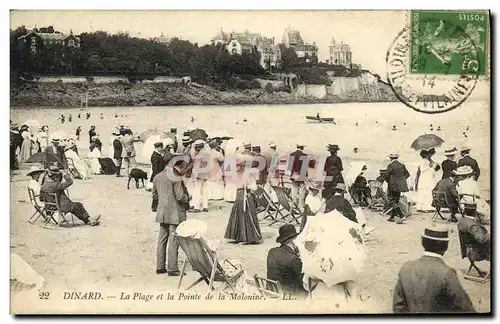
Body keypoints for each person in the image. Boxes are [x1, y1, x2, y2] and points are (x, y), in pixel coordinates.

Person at [393, 224, 475, 313]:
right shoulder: (447, 273)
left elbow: (398, 306)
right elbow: (465, 307)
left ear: (423, 243)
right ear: (445, 247)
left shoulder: (406, 268)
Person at [152, 153, 190, 276]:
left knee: (161, 240)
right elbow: (180, 196)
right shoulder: (175, 176)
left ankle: (160, 266)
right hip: (175, 213)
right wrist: (188, 198)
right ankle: (173, 268)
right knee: (174, 241)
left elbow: (155, 196)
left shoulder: (157, 176)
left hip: (162, 212)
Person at [224, 151, 262, 244]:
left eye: (239, 165)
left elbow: (253, 186)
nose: (238, 167)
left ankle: (249, 238)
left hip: (246, 195)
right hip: (240, 194)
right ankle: (238, 236)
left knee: (246, 215)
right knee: (238, 214)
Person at [267, 224, 308, 298]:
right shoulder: (293, 259)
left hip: (273, 291)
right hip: (289, 296)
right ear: (293, 240)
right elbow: (304, 282)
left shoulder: (272, 252)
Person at [457, 203, 490, 277]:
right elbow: (482, 239)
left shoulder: (461, 221)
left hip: (467, 251)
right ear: (475, 212)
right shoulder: (472, 225)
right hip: (478, 253)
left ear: (465, 210)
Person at [385, 153, 410, 224]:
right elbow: (407, 174)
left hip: (392, 185)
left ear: (390, 158)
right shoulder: (402, 165)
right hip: (400, 186)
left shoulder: (390, 165)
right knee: (395, 200)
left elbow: (387, 175)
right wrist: (401, 180)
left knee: (391, 201)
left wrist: (389, 182)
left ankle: (401, 215)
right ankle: (392, 217)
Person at [190, 140, 211, 212]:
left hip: (199, 174)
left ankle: (197, 207)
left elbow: (196, 166)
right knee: (205, 190)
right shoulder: (207, 153)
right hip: (206, 174)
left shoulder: (199, 156)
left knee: (197, 190)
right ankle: (205, 206)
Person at [288, 143, 309, 211]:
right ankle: (301, 205)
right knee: (302, 191)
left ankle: (293, 204)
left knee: (294, 189)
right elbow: (305, 168)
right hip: (301, 174)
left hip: (294, 174)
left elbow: (290, 167)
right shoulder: (304, 155)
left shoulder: (292, 154)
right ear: (302, 147)